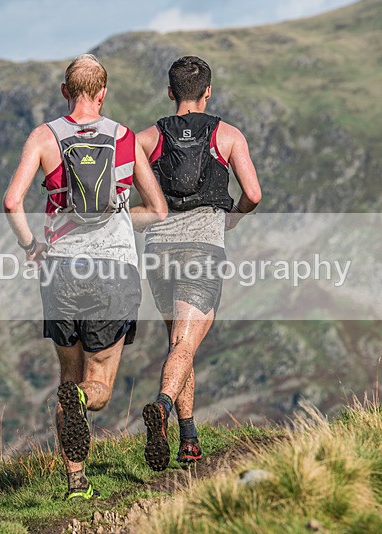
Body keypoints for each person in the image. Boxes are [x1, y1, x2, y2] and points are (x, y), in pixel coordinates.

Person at [4, 54, 167, 498]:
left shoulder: (44, 136)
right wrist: (118, 217)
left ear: (65, 92)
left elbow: (11, 202)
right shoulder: (124, 138)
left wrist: (30, 246)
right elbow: (157, 210)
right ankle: (82, 401)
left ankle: (76, 481)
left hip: (60, 269)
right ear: (103, 93)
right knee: (98, 386)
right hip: (114, 269)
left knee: (67, 376)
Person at [137, 56, 262, 471]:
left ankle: (188, 439)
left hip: (157, 251)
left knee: (178, 343)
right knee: (185, 345)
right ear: (208, 92)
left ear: (170, 92)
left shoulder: (146, 139)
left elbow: (119, 184)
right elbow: (254, 194)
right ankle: (162, 406)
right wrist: (232, 218)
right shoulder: (227, 136)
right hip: (202, 250)